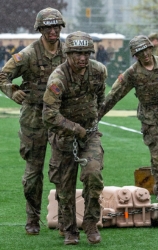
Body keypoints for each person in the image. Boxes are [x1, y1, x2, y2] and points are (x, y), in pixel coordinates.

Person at [0, 7, 67, 236]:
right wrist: (12, 91)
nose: (53, 31)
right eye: (48, 27)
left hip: (60, 116)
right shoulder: (27, 54)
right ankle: (32, 218)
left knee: (63, 170)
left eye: (56, 27)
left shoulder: (68, 52)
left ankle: (65, 219)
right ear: (40, 29)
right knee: (32, 173)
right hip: (33, 117)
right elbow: (3, 75)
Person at [98, 35, 158, 199]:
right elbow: (115, 95)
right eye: (139, 53)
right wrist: (97, 117)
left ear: (150, 48)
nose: (144, 55)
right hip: (149, 117)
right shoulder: (132, 73)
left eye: (146, 50)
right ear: (135, 55)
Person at [43, 31, 107, 245]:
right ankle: (69, 229)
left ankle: (90, 222)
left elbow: (101, 96)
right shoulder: (58, 78)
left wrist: (92, 120)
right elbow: (49, 115)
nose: (83, 58)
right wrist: (74, 128)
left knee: (93, 175)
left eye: (86, 53)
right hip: (63, 137)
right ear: (68, 54)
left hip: (89, 135)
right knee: (65, 185)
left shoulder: (98, 71)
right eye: (78, 53)